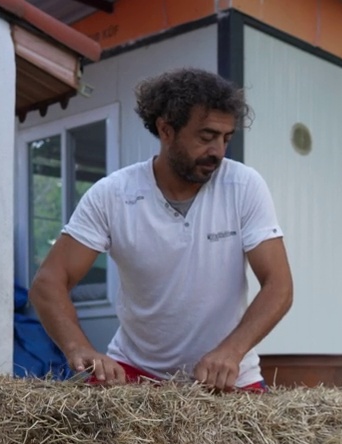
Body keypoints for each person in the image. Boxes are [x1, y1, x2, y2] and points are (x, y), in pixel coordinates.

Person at [30, 68, 293, 392]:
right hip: (134, 372)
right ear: (166, 129)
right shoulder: (113, 194)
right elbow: (48, 283)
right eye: (206, 137)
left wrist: (232, 350)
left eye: (226, 138)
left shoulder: (243, 185)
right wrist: (79, 348)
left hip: (228, 376)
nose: (218, 152)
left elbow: (279, 285)